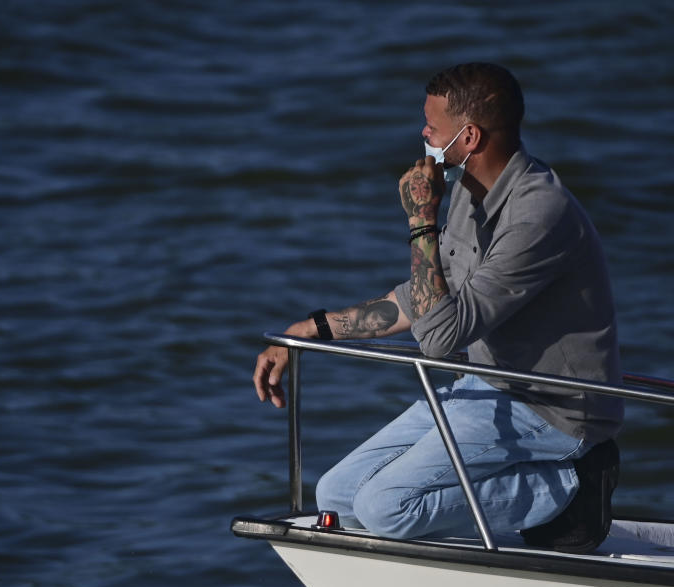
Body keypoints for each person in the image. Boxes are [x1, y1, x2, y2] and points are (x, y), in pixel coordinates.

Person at [252, 62, 623, 553]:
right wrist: (310, 330)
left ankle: (570, 488)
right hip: (487, 385)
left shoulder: (539, 214)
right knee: (336, 498)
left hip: (554, 408)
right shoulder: (471, 192)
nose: (423, 133)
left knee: (387, 507)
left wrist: (421, 221)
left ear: (467, 137)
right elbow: (426, 297)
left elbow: (441, 338)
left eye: (432, 126)